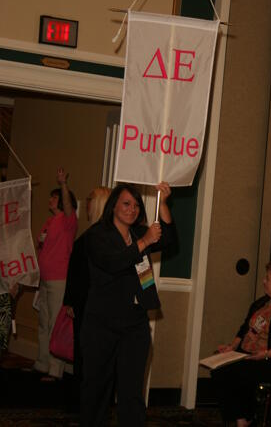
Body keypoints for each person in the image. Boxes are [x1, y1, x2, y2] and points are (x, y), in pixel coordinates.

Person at [80, 182, 176, 427]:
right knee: (98, 389)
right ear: (113, 206)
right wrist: (143, 242)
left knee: (132, 391)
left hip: (135, 324)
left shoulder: (136, 233)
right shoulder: (96, 235)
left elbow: (169, 239)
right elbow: (113, 263)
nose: (132, 209)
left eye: (136, 205)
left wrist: (163, 203)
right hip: (102, 324)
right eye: (126, 203)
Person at [211, 261, 271, 427]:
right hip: (250, 355)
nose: (264, 281)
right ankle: (243, 417)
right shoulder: (262, 303)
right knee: (218, 366)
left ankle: (244, 418)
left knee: (237, 371)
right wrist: (232, 347)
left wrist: (262, 355)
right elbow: (244, 328)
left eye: (268, 278)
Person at [33, 167, 78, 380]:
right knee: (43, 321)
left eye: (54, 198)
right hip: (44, 279)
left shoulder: (68, 221)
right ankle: (42, 363)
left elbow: (69, 207)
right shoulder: (49, 222)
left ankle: (55, 370)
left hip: (60, 279)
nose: (50, 201)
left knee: (54, 324)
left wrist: (63, 184)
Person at [63, 187, 111, 382]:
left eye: (90, 199)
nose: (87, 204)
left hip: (91, 305)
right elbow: (76, 272)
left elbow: (82, 274)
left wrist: (73, 302)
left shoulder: (96, 238)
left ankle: (86, 399)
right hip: (86, 303)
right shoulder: (91, 236)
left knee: (89, 352)